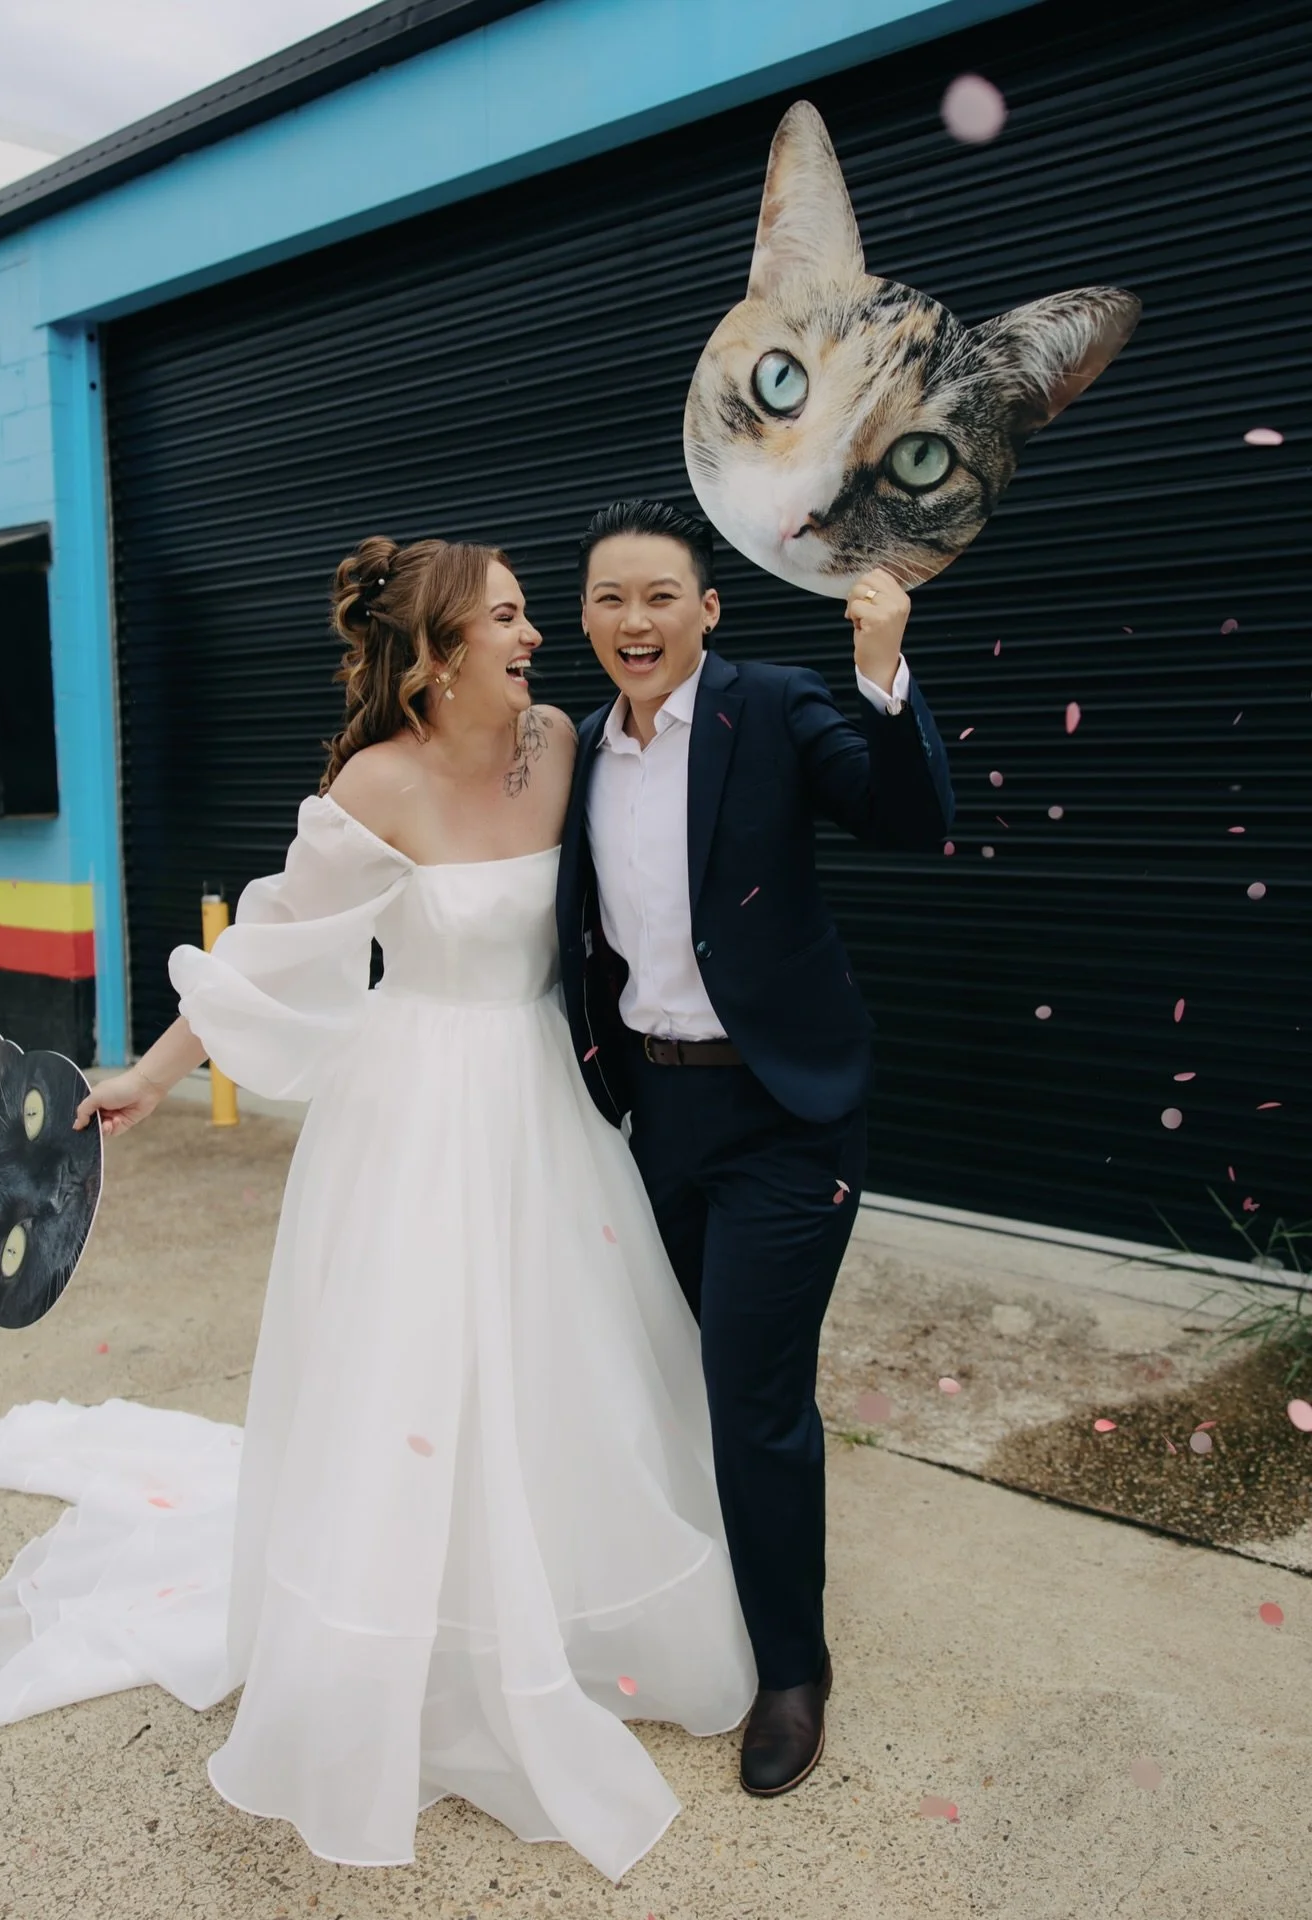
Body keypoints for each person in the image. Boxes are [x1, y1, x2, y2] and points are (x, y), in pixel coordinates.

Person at [0, 535, 757, 1884]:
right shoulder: (377, 783)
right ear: (435, 659)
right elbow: (269, 949)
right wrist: (147, 1074)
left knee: (559, 1360)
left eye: (531, 612)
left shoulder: (558, 742)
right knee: (419, 1375)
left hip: (543, 1097)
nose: (538, 633)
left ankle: (562, 1609)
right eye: (506, 617)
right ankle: (420, 1640)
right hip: (417, 1110)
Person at [555, 498, 955, 1798]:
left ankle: (792, 1669)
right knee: (678, 1373)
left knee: (752, 1394)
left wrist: (883, 671)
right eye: (611, 598)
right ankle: (695, 1597)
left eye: (660, 595)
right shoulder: (573, 753)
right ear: (587, 615)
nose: (635, 620)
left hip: (784, 1115)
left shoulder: (774, 709)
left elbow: (908, 824)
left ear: (708, 608)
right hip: (652, 1114)